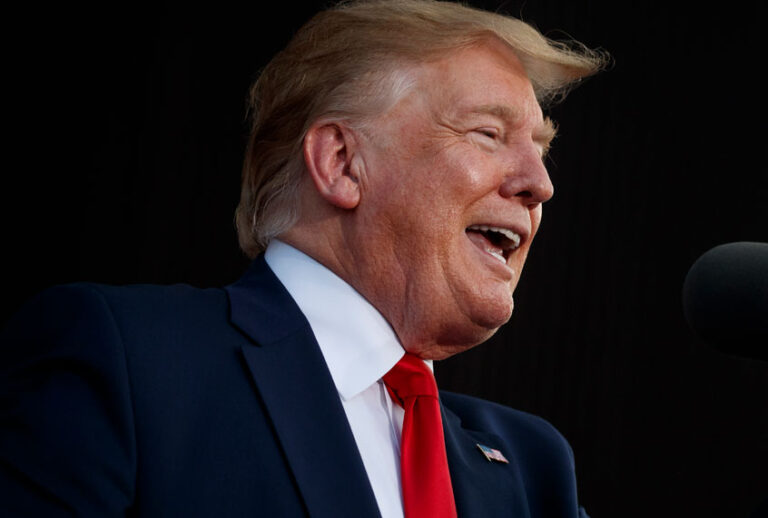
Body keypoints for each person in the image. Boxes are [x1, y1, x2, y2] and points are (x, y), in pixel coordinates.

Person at [0, 0, 607, 516]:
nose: (540, 184)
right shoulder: (128, 363)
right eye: (488, 134)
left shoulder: (533, 467)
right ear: (341, 162)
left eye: (542, 148)